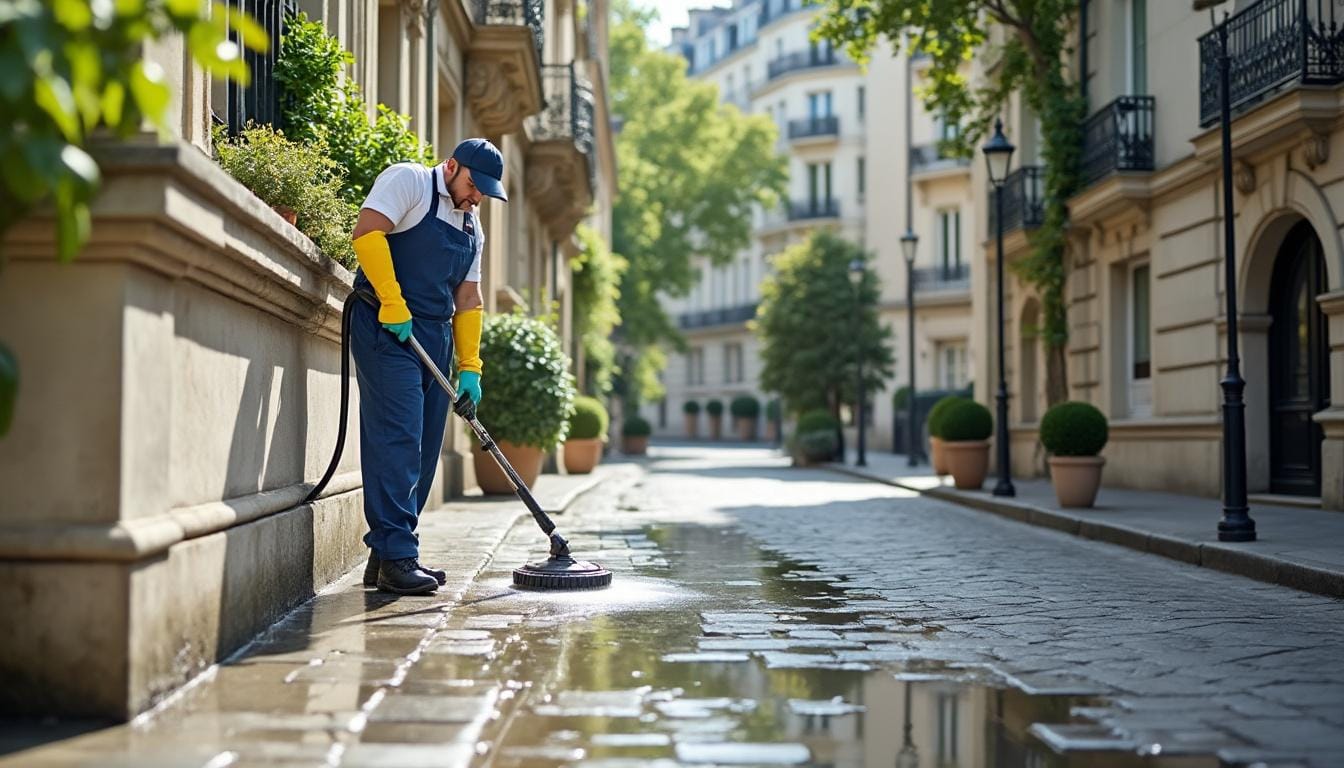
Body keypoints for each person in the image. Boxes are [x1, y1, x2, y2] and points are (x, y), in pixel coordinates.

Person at [348, 138, 507, 595]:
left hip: (435, 336)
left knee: (424, 447)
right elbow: (367, 232)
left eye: (484, 192)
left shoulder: (472, 226)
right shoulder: (410, 181)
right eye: (473, 186)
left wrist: (471, 366)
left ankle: (387, 554)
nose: (476, 198)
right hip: (387, 326)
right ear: (451, 166)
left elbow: (468, 297)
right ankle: (400, 555)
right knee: (398, 436)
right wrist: (392, 300)